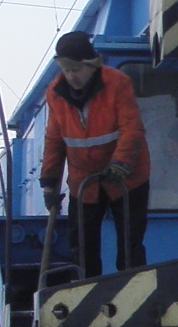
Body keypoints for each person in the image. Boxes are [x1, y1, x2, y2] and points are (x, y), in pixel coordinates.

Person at [40, 30, 150, 275]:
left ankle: (132, 290)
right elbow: (54, 140)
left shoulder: (117, 84)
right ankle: (86, 292)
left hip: (128, 179)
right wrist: (49, 183)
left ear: (91, 65)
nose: (72, 76)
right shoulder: (55, 94)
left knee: (130, 246)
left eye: (76, 69)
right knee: (82, 247)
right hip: (83, 182)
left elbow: (132, 128)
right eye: (67, 71)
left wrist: (121, 163)